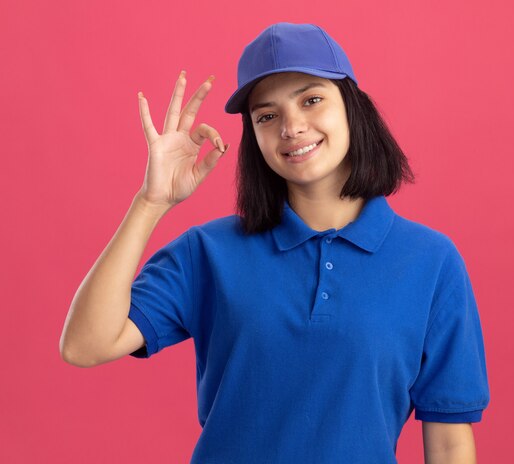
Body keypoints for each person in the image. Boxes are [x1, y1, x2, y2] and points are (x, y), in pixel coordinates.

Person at [60, 22, 490, 464]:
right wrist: (150, 203)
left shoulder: (431, 262)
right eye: (267, 116)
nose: (291, 126)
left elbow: (449, 442)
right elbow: (84, 345)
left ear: (352, 108)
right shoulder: (208, 252)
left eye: (311, 100)